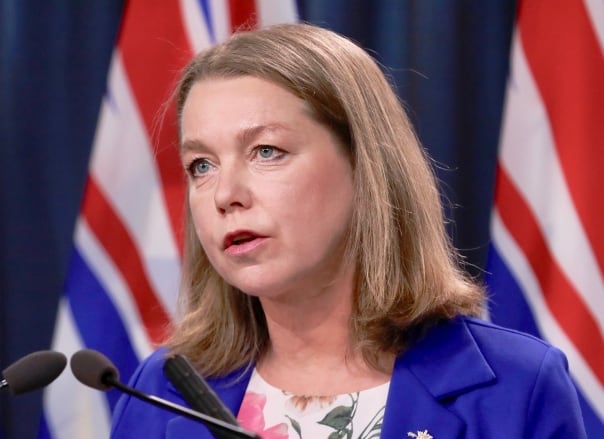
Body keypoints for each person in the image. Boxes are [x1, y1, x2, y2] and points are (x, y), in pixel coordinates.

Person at [110, 23, 586, 438]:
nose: (224, 194)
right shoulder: (162, 390)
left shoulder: (517, 386)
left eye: (266, 151)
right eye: (201, 165)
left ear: (365, 167)